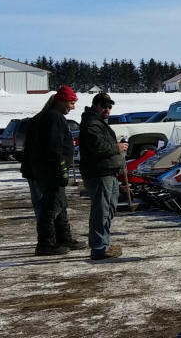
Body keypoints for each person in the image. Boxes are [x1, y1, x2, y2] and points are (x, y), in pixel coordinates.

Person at [21, 85, 81, 256]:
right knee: (50, 207)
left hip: (41, 170)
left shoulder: (45, 116)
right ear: (61, 101)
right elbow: (53, 148)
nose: (72, 107)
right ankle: (46, 243)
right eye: (71, 103)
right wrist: (60, 169)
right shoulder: (53, 118)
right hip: (48, 172)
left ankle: (63, 238)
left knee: (59, 204)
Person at [79, 92, 129, 260]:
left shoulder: (99, 123)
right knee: (101, 211)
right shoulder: (91, 123)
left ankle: (102, 244)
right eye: (104, 106)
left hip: (108, 173)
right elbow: (98, 147)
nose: (107, 109)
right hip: (99, 173)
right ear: (95, 106)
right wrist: (117, 147)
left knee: (108, 210)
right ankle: (99, 247)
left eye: (109, 106)